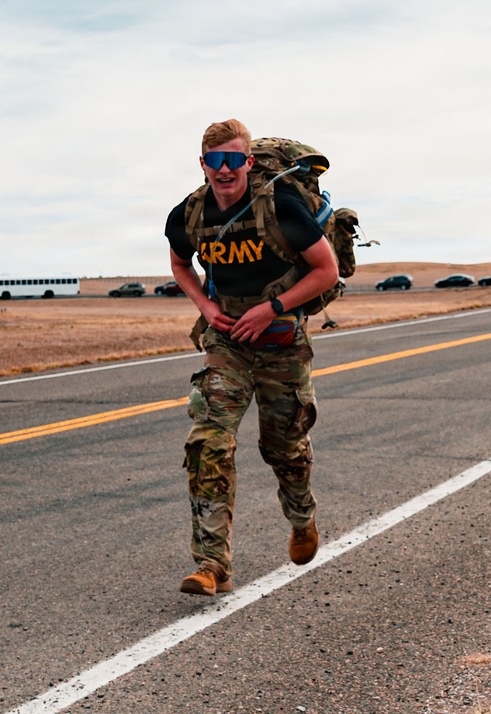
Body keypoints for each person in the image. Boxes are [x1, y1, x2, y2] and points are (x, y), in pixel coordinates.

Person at [164, 119, 339, 596]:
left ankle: (302, 517)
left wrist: (273, 308)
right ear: (203, 164)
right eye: (215, 161)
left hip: (281, 339)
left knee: (283, 447)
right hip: (228, 344)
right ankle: (211, 564)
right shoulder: (188, 215)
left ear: (248, 162)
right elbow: (180, 262)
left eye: (234, 160)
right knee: (209, 442)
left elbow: (327, 270)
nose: (225, 170)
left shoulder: (281, 209)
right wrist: (205, 305)